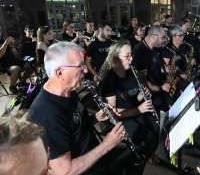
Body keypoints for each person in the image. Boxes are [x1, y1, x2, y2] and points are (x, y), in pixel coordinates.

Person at [27, 42, 142, 175]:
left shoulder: (69, 90)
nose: (86, 70)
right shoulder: (46, 113)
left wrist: (96, 117)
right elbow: (65, 171)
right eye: (80, 66)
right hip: (84, 169)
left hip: (94, 153)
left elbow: (76, 125)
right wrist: (107, 145)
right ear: (60, 73)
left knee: (138, 153)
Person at [98, 40, 159, 174]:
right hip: (116, 120)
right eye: (128, 56)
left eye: (131, 55)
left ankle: (143, 158)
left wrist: (141, 96)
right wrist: (139, 109)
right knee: (146, 136)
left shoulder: (130, 71)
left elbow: (131, 98)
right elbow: (111, 112)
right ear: (115, 58)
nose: (131, 59)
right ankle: (136, 165)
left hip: (132, 112)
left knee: (154, 127)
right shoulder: (108, 80)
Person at [132, 25, 174, 111]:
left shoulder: (153, 49)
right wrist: (160, 88)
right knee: (172, 107)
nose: (163, 40)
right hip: (151, 94)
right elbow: (141, 79)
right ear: (154, 37)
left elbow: (153, 66)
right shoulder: (141, 51)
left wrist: (163, 69)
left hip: (158, 89)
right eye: (162, 37)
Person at [161, 25, 192, 99]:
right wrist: (179, 75)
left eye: (183, 35)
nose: (183, 37)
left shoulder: (183, 47)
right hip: (174, 81)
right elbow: (167, 70)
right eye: (180, 35)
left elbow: (186, 61)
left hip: (184, 76)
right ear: (173, 36)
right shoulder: (166, 50)